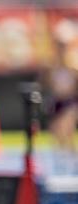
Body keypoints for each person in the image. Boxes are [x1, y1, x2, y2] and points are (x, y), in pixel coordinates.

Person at [40, 39, 78, 175]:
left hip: (69, 102)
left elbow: (74, 86)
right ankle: (59, 162)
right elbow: (47, 84)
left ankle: (73, 162)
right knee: (56, 133)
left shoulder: (72, 67)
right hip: (57, 102)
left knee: (66, 129)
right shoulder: (53, 67)